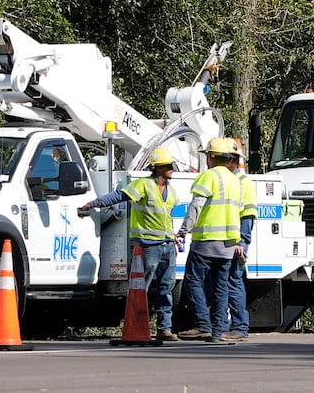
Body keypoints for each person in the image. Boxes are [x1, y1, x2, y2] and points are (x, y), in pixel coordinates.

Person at [77, 145, 181, 341]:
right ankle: (137, 326)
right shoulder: (143, 185)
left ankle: (164, 328)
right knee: (140, 289)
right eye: (168, 165)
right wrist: (93, 203)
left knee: (167, 287)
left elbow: (167, 217)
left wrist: (173, 237)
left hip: (167, 245)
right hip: (148, 245)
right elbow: (119, 196)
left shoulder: (171, 191)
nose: (171, 168)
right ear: (157, 168)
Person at [175, 137, 242, 342]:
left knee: (193, 281)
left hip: (206, 241)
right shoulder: (235, 180)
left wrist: (183, 230)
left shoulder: (208, 176)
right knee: (221, 287)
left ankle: (203, 325)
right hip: (228, 244)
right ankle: (218, 330)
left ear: (211, 158)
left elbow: (196, 206)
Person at [221, 137, 256, 342]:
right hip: (227, 240)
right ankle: (227, 326)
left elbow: (247, 215)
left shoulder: (243, 182)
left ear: (232, 161)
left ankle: (240, 327)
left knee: (234, 281)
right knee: (226, 282)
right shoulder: (231, 181)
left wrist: (242, 243)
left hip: (235, 242)